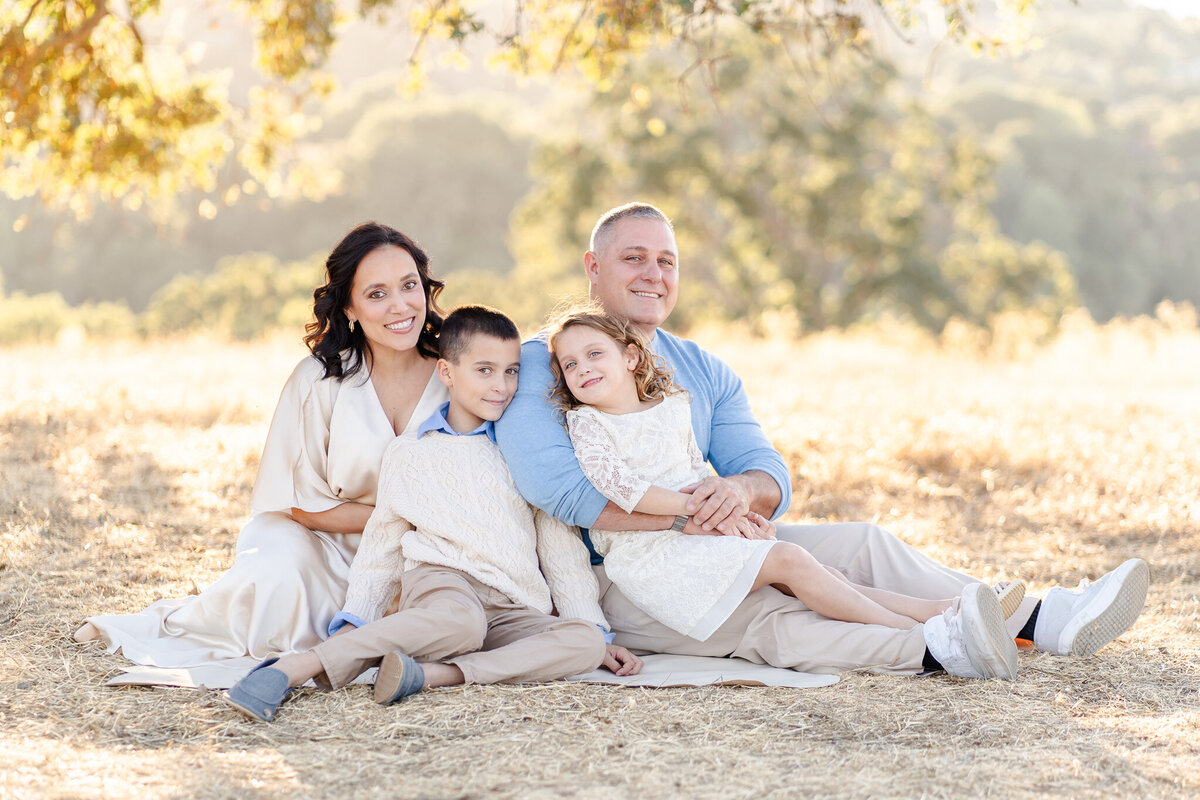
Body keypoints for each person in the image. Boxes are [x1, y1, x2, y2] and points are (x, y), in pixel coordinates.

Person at [495, 201, 1150, 678]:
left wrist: (737, 495)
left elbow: (764, 470)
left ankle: (1042, 620)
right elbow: (559, 490)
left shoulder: (701, 368)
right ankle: (937, 646)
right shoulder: (544, 364)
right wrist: (695, 511)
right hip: (621, 575)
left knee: (859, 544)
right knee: (778, 616)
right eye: (633, 257)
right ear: (593, 266)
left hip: (713, 539)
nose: (653, 274)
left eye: (666, 260)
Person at [546, 306, 1023, 679]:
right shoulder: (586, 422)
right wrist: (697, 511)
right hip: (649, 553)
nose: (582, 368)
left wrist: (733, 514)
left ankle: (943, 607)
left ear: (630, 357)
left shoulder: (674, 406)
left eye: (595, 354)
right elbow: (621, 488)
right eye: (569, 364)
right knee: (791, 562)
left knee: (818, 571)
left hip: (697, 533)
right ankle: (924, 632)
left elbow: (699, 473)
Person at [223, 306, 642, 722]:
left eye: (511, 371)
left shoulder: (521, 453)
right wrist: (358, 617)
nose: (501, 386)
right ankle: (295, 667)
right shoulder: (411, 453)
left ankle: (432, 675)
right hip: (443, 586)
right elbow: (382, 544)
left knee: (584, 644)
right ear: (447, 373)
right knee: (461, 622)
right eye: (484, 370)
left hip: (509, 605)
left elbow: (559, 550)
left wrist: (594, 630)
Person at [76, 222, 451, 670]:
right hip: (323, 544)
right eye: (376, 294)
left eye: (409, 286)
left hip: (425, 549)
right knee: (278, 570)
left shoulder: (456, 373)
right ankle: (193, 626)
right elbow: (293, 505)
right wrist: (398, 516)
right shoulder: (317, 381)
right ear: (349, 308)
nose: (399, 305)